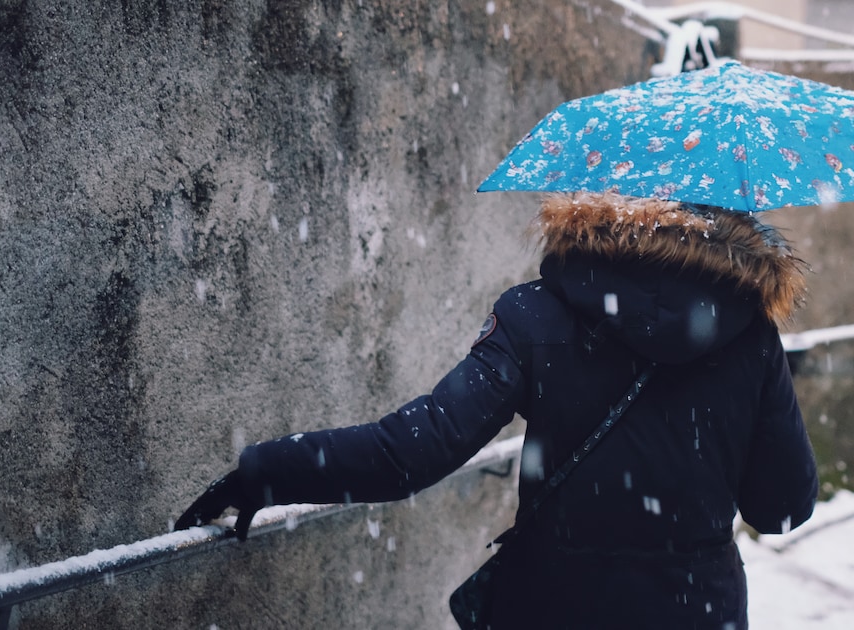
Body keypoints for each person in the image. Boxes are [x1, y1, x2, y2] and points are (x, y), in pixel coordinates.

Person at [176, 192, 819, 629]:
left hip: (551, 604)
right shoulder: (749, 335)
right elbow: (782, 507)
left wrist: (267, 470)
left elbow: (412, 452)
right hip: (695, 610)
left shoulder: (540, 310)